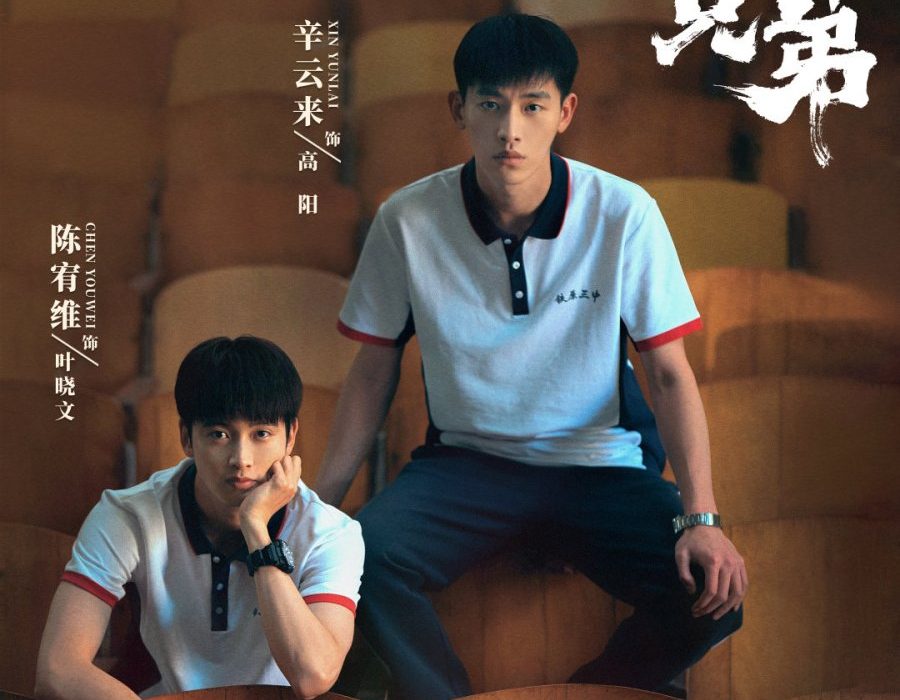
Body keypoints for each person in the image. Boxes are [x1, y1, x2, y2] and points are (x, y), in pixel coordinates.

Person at [317, 13, 747, 700]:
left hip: (598, 464)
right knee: (361, 558)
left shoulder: (623, 213)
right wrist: (320, 509)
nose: (509, 130)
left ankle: (595, 691)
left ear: (565, 112)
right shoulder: (408, 219)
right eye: (490, 105)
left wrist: (703, 519)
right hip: (467, 464)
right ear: (459, 109)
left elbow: (668, 374)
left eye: (532, 106)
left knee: (714, 592)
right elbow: (373, 373)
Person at [35, 336, 364, 700]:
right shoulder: (129, 515)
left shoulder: (331, 533)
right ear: (187, 438)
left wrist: (257, 530)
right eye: (219, 434)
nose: (241, 459)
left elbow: (312, 676)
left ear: (290, 437)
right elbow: (57, 670)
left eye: (261, 434)